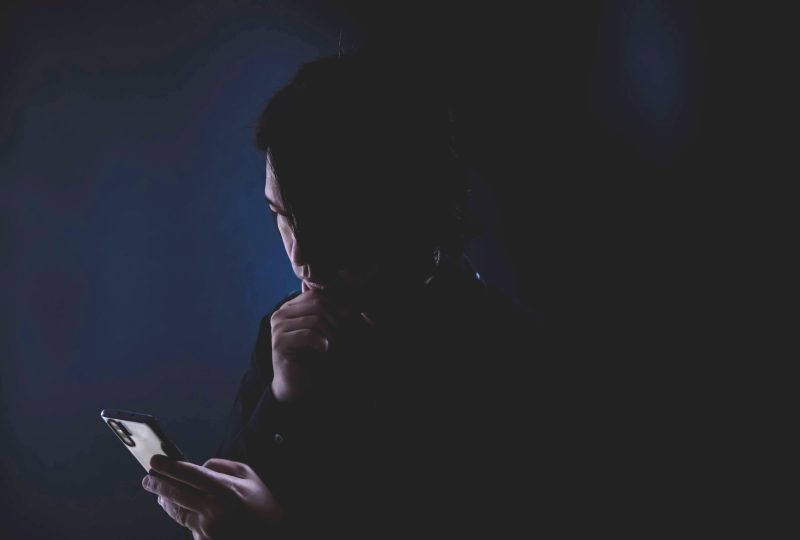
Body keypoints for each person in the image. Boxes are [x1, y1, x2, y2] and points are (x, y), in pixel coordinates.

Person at [141, 53, 546, 539]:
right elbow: (230, 501)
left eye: (332, 227)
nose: (302, 259)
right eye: (283, 217)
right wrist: (283, 399)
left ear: (411, 211)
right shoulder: (286, 336)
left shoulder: (514, 364)